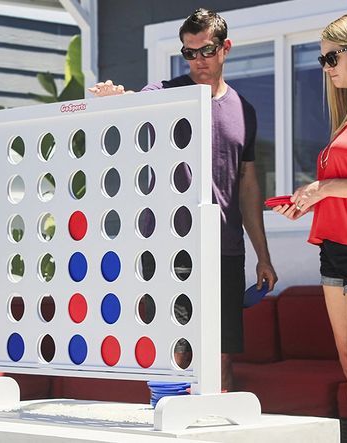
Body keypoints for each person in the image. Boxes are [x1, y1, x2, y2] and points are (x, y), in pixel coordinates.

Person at [89, 8, 277, 390]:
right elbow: (129, 105)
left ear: (225, 48)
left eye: (205, 51)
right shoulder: (165, 94)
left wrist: (263, 255)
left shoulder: (245, 111)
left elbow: (248, 186)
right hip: (167, 247)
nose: (197, 61)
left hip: (224, 248)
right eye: (188, 53)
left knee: (222, 354)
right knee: (175, 350)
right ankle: (170, 421)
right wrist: (113, 99)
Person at [273, 14, 347, 442]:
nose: (327, 66)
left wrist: (327, 186)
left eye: (333, 56)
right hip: (334, 253)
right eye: (322, 58)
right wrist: (311, 201)